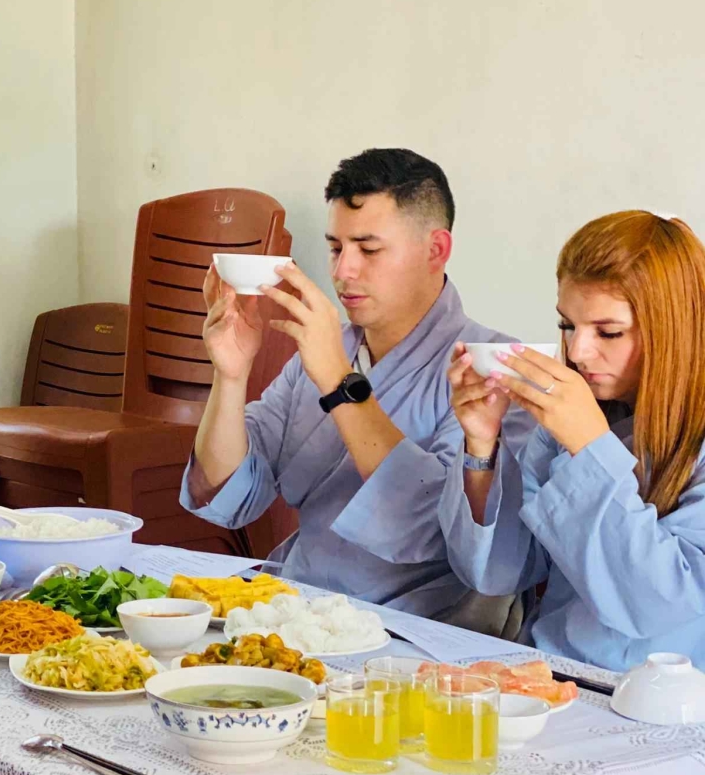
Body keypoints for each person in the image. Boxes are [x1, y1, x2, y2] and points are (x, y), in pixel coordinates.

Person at [182, 148, 534, 620]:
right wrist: (230, 374)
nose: (343, 270)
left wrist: (338, 381)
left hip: (416, 633)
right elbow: (231, 494)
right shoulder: (329, 348)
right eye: (335, 247)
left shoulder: (490, 367)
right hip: (298, 607)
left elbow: (439, 531)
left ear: (436, 250)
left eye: (368, 249)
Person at [442, 211, 705, 671]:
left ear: (672, 328)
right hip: (550, 672)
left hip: (663, 704)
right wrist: (482, 447)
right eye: (568, 326)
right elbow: (503, 570)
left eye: (608, 332)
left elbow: (657, 605)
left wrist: (590, 446)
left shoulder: (588, 423)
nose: (579, 352)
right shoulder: (577, 415)